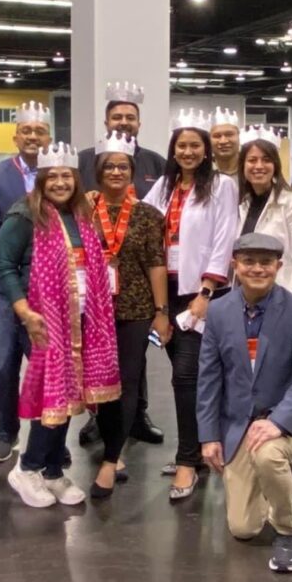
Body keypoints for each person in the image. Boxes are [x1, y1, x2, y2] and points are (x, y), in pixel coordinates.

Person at [0, 143, 121, 508]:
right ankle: (28, 467)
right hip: (42, 319)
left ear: (76, 180)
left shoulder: (81, 213)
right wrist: (24, 311)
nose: (60, 183)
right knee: (52, 395)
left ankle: (52, 470)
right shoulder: (25, 214)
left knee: (70, 396)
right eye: (53, 177)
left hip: (79, 319)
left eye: (67, 176)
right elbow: (4, 264)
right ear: (41, 180)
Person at [198, 233, 292, 573]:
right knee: (243, 529)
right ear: (235, 265)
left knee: (269, 456)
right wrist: (209, 436)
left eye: (266, 262)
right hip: (238, 421)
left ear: (278, 266)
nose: (257, 268)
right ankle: (281, 483)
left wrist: (278, 422)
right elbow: (208, 378)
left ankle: (286, 530)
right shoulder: (218, 311)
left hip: (286, 418)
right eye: (249, 261)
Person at [144, 109, 239, 500]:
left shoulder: (221, 185)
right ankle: (199, 449)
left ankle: (187, 460)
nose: (187, 151)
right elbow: (143, 219)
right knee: (188, 375)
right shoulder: (164, 186)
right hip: (165, 292)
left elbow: (225, 237)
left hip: (199, 293)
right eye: (181, 145)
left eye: (194, 145)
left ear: (206, 150)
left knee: (186, 376)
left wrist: (207, 292)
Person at [78, 81, 166, 447]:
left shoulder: (156, 164)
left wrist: (160, 310)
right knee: (97, 365)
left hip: (135, 299)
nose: (124, 122)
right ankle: (99, 422)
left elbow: (156, 260)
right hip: (94, 300)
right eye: (117, 116)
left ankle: (134, 420)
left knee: (132, 369)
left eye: (131, 117)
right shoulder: (85, 189)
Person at [90, 131, 171, 496]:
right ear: (98, 171)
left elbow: (156, 263)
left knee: (127, 382)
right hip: (93, 310)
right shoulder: (83, 211)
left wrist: (161, 311)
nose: (116, 172)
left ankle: (111, 459)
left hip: (135, 309)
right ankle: (110, 443)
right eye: (109, 166)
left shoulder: (148, 215)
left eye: (123, 166)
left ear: (132, 172)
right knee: (100, 383)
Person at [0, 101, 52, 464]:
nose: (33, 137)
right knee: (3, 363)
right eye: (27, 131)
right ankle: (6, 431)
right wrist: (22, 238)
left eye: (40, 131)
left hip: (48, 285)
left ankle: (48, 433)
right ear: (16, 136)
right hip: (6, 285)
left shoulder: (58, 174)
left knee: (45, 364)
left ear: (49, 137)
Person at [238, 126, 292, 329]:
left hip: (282, 299)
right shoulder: (242, 203)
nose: (259, 166)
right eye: (252, 160)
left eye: (266, 160)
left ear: (275, 165)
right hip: (244, 299)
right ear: (243, 165)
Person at [210, 108, 240, 179]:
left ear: (239, 136)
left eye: (229, 134)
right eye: (217, 136)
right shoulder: (201, 172)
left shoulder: (251, 170)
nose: (223, 141)